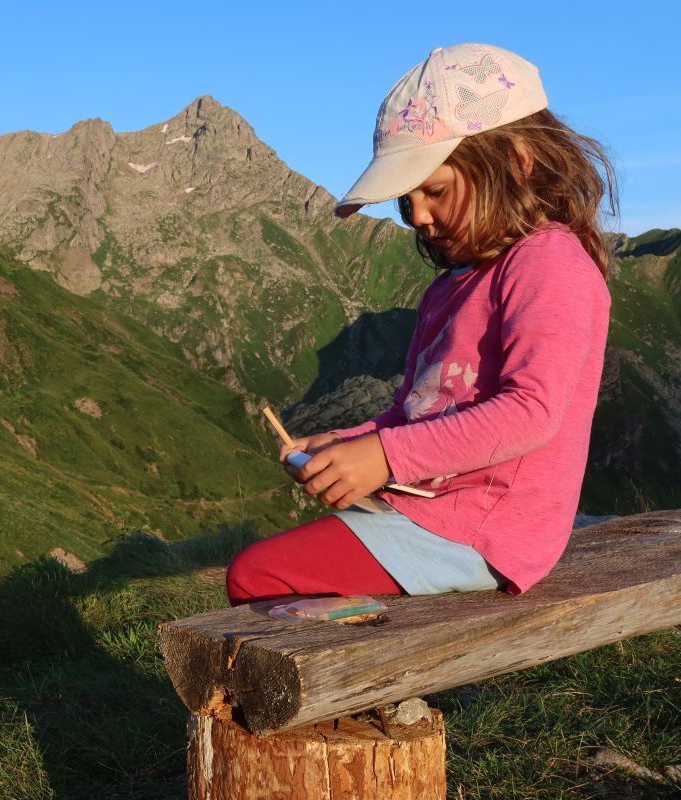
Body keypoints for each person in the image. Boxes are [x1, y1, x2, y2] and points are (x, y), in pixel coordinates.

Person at [227, 43, 616, 605]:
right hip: (437, 509)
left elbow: (533, 411)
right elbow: (416, 410)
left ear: (519, 161)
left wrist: (383, 458)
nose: (420, 217)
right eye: (406, 203)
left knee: (258, 575)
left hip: (487, 529)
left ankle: (361, 692)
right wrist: (349, 443)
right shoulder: (453, 283)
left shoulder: (549, 263)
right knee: (278, 571)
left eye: (434, 190)